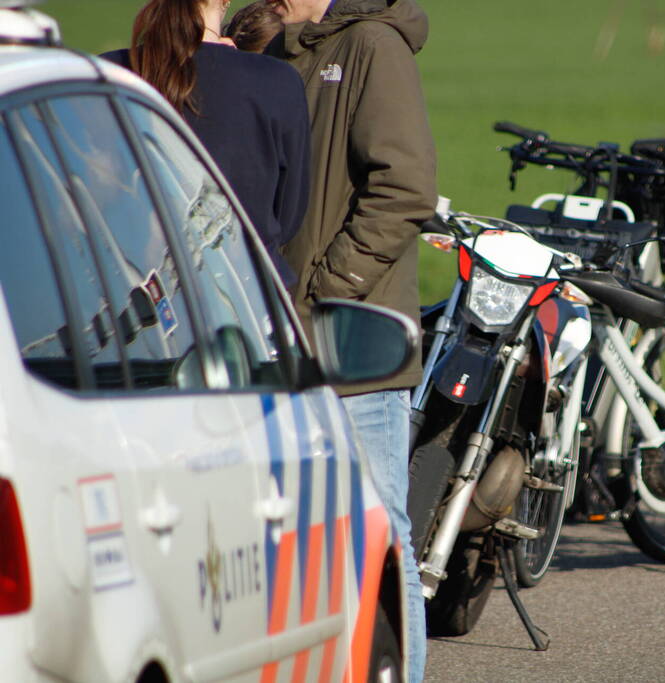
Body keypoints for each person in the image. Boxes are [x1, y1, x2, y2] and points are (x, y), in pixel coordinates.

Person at [264, 1, 436, 681]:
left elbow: (405, 187)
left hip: (356, 341)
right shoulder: (275, 44)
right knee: (296, 535)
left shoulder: (370, 45)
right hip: (280, 340)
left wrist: (328, 288)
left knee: (380, 534)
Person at [101, 0, 309, 285]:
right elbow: (288, 215)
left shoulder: (106, 74)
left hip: (136, 290)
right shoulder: (276, 80)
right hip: (247, 292)